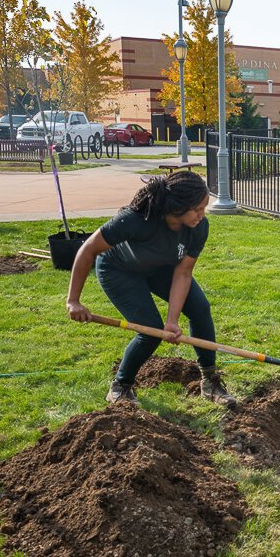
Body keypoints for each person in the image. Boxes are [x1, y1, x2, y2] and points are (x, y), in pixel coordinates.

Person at [66, 171, 236, 408]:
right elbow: (88, 249)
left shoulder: (198, 227)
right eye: (197, 209)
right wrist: (73, 300)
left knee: (199, 308)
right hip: (119, 270)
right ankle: (120, 386)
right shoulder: (135, 219)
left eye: (204, 208)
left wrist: (172, 320)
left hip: (160, 267)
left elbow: (183, 273)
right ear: (177, 207)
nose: (202, 214)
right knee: (150, 330)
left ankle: (210, 382)